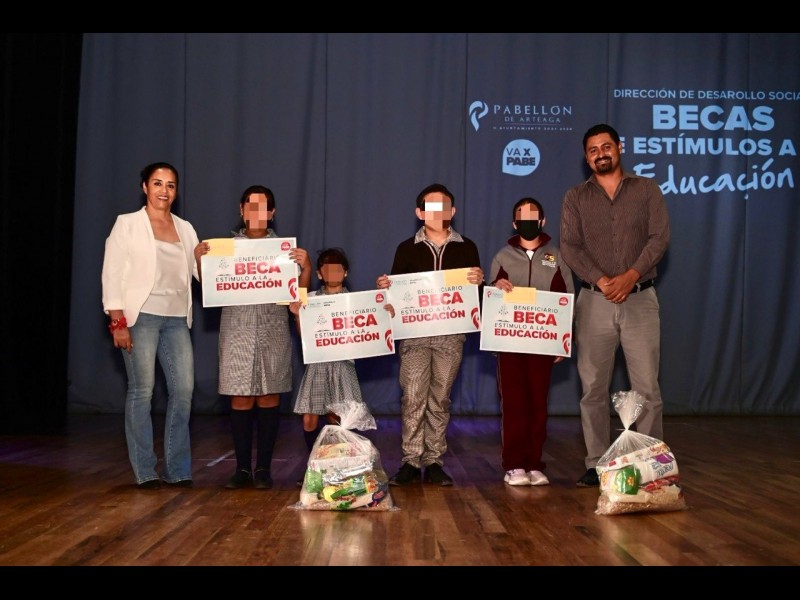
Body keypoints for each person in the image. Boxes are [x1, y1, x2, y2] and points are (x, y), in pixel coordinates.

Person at [559, 123, 670, 488]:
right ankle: (597, 463)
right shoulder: (576, 197)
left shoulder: (647, 189)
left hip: (640, 300)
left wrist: (630, 275)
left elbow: (659, 238)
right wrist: (604, 280)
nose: (600, 154)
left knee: (647, 389)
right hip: (594, 301)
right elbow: (570, 246)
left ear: (619, 148)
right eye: (593, 150)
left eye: (606, 147)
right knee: (593, 389)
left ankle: (651, 463)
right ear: (586, 157)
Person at [199, 185, 311, 490]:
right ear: (241, 210)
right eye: (251, 206)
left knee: (269, 396)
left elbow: (298, 298)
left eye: (263, 207)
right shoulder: (225, 249)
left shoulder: (285, 251)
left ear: (272, 213)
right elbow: (210, 288)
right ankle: (241, 469)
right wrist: (200, 261)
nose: (256, 212)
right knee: (240, 396)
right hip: (237, 330)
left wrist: (306, 268)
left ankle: (263, 469)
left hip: (273, 329)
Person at [101, 161, 204, 490]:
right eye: (157, 183)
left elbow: (201, 275)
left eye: (170, 185)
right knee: (142, 391)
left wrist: (207, 260)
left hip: (177, 319)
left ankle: (177, 469)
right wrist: (117, 321)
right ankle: (145, 470)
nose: (164, 190)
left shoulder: (185, 228)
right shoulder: (127, 224)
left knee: (183, 391)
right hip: (140, 317)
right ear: (145, 187)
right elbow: (111, 273)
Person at [376, 183, 483, 487]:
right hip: (414, 336)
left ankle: (434, 460)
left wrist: (479, 281)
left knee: (440, 399)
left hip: (451, 337)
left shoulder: (467, 247)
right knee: (413, 397)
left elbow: (472, 297)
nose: (437, 212)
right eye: (430, 207)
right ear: (420, 213)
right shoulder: (406, 248)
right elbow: (396, 296)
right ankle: (410, 461)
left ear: (452, 211)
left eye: (443, 206)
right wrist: (386, 289)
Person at [488, 197, 575, 486]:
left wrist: (564, 339)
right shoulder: (502, 256)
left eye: (532, 216)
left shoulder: (556, 256)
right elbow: (490, 296)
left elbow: (566, 298)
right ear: (515, 223)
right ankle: (514, 464)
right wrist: (495, 286)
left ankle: (534, 463)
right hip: (510, 346)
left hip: (543, 344)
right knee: (514, 404)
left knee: (538, 404)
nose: (527, 221)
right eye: (522, 217)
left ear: (542, 221)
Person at [290, 248, 366, 452]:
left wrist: (385, 313)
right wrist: (298, 316)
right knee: (309, 417)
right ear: (319, 274)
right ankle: (314, 460)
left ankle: (338, 461)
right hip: (317, 364)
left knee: (338, 417)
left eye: (337, 269)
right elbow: (304, 337)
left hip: (343, 364)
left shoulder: (358, 301)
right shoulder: (310, 299)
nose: (333, 274)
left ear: (346, 272)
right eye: (327, 269)